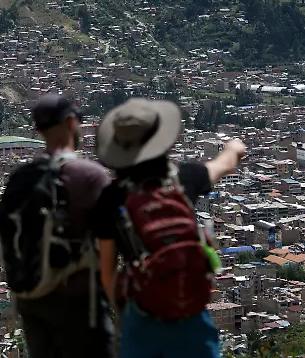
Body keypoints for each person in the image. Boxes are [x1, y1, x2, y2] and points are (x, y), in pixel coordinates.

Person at [92, 97, 247, 358]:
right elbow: (227, 163)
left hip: (142, 316)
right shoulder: (184, 178)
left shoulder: (110, 198)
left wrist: (125, 312)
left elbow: (106, 272)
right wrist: (234, 146)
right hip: (189, 311)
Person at [0, 93, 114, 358]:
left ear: (38, 130)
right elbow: (110, 240)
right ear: (72, 123)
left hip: (32, 299)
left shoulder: (22, 177)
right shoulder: (89, 175)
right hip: (77, 300)